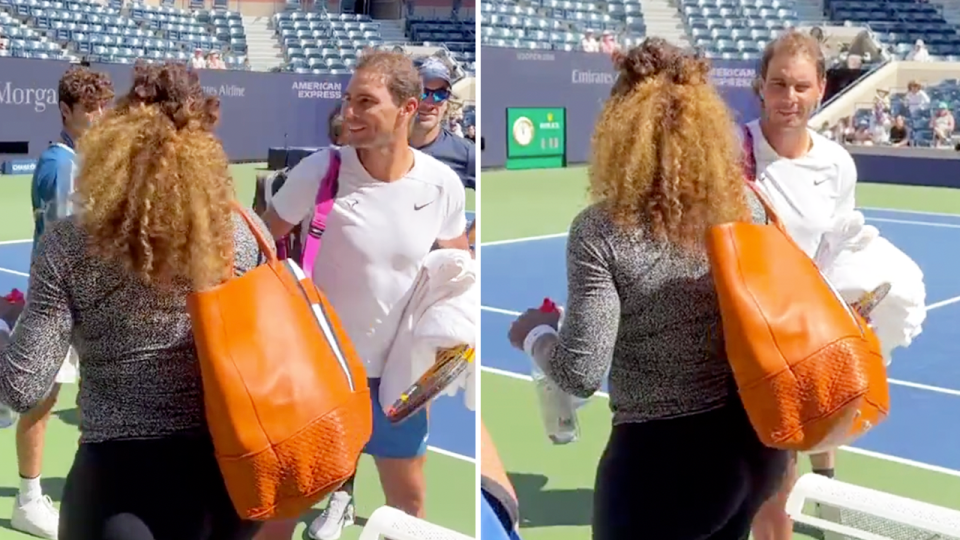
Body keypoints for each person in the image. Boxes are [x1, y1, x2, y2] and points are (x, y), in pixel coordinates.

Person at [506, 38, 788, 540]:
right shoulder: (749, 206)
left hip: (661, 464)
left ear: (621, 123)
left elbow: (579, 373)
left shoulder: (602, 230)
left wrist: (534, 334)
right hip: (754, 448)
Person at [0, 61, 267, 540]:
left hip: (115, 490)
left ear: (111, 148)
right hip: (231, 482)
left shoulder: (69, 246)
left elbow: (21, 387)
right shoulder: (245, 234)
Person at [259, 49, 469, 540]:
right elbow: (263, 248)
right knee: (284, 509)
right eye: (348, 100)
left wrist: (436, 365)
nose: (348, 113)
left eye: (365, 102)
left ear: (407, 110)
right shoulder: (320, 170)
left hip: (398, 385)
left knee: (408, 508)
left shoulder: (442, 186)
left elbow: (458, 278)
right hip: (320, 377)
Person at [745, 29, 858, 540]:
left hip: (807, 321)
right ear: (760, 88)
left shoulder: (837, 164)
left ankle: (827, 487)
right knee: (775, 457)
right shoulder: (732, 149)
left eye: (800, 86)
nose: (788, 98)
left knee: (819, 418)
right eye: (778, 85)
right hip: (747, 328)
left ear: (820, 89)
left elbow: (838, 242)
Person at [12, 65, 114, 540]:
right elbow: (63, 247)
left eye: (102, 106)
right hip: (59, 308)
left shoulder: (82, 161)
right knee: (42, 399)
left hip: (77, 304)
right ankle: (28, 500)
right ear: (65, 111)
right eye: (89, 108)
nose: (98, 116)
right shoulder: (60, 166)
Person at [409, 56, 476, 191]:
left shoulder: (466, 154)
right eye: (422, 93)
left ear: (447, 102)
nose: (429, 103)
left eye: (440, 94)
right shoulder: (383, 148)